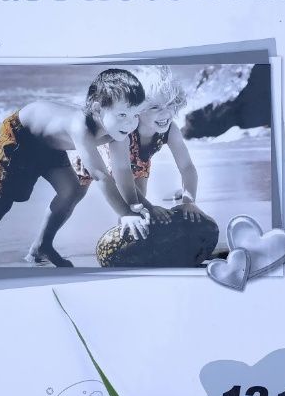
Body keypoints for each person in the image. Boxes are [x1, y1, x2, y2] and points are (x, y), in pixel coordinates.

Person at [0, 68, 149, 268]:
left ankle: (41, 246)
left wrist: (133, 206)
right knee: (2, 202)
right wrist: (124, 213)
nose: (130, 123)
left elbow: (122, 170)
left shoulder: (119, 131)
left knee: (71, 191)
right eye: (122, 114)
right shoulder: (80, 126)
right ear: (97, 109)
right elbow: (100, 175)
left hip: (50, 146)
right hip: (19, 135)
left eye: (136, 115)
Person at [27, 65, 204, 265]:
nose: (165, 113)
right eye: (155, 107)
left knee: (137, 206)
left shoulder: (170, 130)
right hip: (101, 161)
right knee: (72, 196)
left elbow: (187, 167)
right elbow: (120, 174)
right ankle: (41, 244)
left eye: (170, 104)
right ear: (137, 109)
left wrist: (189, 200)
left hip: (138, 162)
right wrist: (150, 206)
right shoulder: (124, 131)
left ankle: (127, 247)